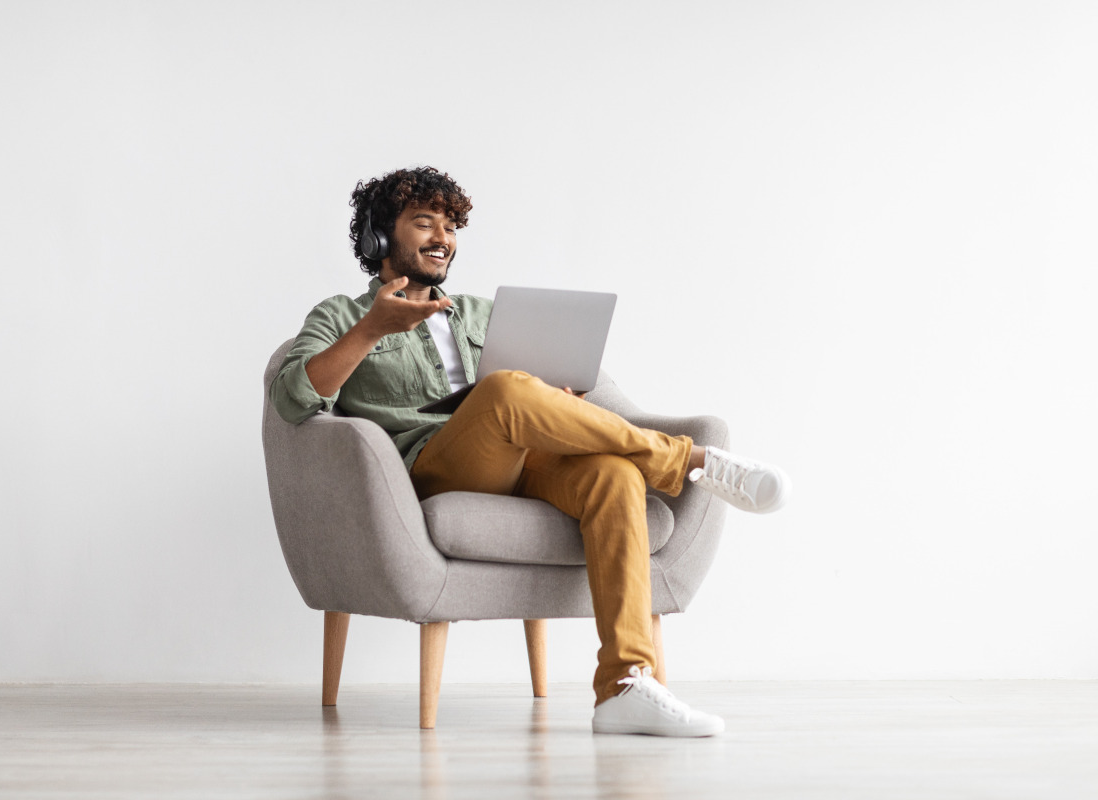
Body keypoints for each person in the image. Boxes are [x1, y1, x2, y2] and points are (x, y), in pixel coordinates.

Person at [270, 166, 790, 737]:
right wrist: (372, 329)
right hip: (434, 469)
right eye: (424, 223)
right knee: (504, 390)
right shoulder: (342, 316)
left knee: (613, 474)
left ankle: (625, 685)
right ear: (378, 237)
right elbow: (295, 399)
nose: (443, 237)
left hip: (520, 456)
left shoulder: (478, 312)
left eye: (450, 226)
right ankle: (688, 461)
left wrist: (552, 398)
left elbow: (524, 396)